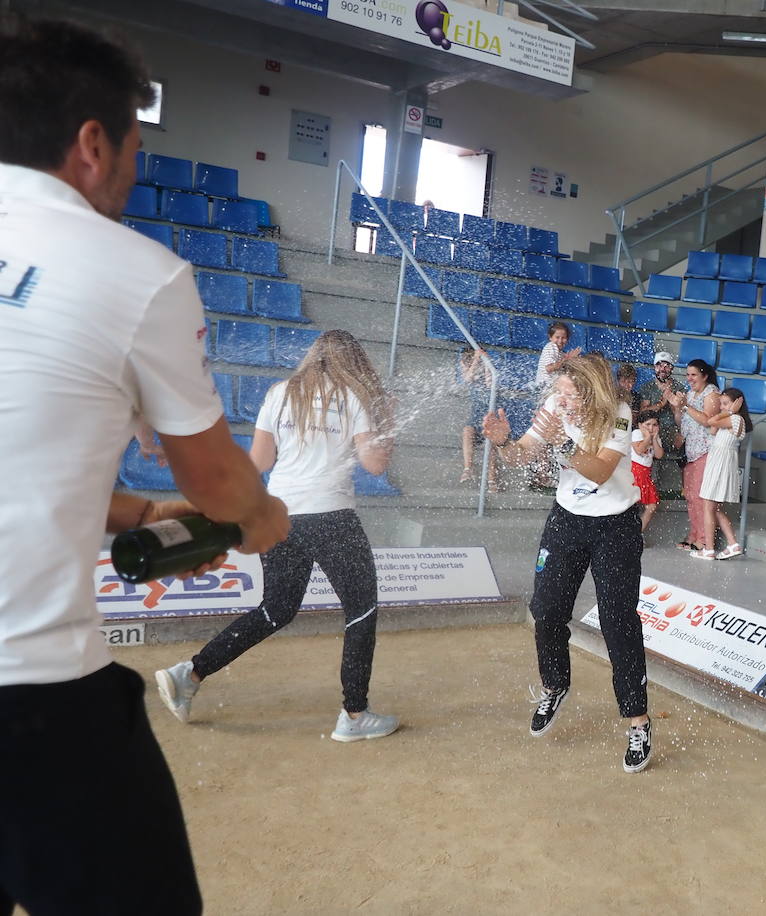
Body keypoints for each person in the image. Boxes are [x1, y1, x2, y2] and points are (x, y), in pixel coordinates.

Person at [0, 16, 290, 913]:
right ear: (92, 143)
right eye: (133, 147)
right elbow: (218, 483)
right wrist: (258, 520)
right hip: (30, 697)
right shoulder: (136, 270)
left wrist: (132, 515)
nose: (134, 172)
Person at [155, 330, 400, 742]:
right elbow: (375, 464)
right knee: (360, 611)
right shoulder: (353, 397)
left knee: (275, 609)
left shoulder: (280, 393)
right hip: (331, 517)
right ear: (353, 361)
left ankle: (190, 674)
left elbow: (260, 462)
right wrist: (387, 421)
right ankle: (354, 715)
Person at [482, 355, 653, 772]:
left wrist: (561, 444)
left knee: (617, 622)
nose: (559, 399)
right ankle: (555, 686)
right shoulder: (555, 408)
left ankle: (638, 720)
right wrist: (504, 442)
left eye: (567, 392)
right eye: (557, 391)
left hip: (616, 526)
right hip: (566, 521)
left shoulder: (619, 413)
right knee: (547, 611)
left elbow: (599, 471)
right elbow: (522, 455)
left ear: (589, 391)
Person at [680, 387, 752, 560]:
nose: (721, 406)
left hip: (722, 464)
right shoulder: (729, 418)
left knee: (709, 505)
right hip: (717, 462)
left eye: (725, 403)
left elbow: (711, 421)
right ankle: (732, 544)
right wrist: (726, 411)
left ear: (737, 403)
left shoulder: (736, 418)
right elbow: (712, 430)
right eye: (721, 403)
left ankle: (710, 549)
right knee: (713, 508)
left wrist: (730, 411)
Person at [669, 359, 721, 552]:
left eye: (693, 375)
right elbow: (680, 421)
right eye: (688, 374)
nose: (689, 378)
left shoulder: (712, 393)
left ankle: (704, 539)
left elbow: (708, 420)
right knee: (690, 497)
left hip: (705, 451)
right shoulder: (690, 394)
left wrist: (685, 406)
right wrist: (676, 407)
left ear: (704, 376)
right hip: (690, 452)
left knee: (700, 497)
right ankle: (694, 534)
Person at [635, 351, 686, 486]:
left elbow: (682, 418)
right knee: (647, 440)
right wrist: (660, 404)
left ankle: (684, 487)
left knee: (685, 442)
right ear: (654, 367)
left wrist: (682, 433)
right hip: (650, 430)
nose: (662, 369)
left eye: (666, 365)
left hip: (671, 431)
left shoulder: (679, 388)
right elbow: (643, 412)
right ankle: (648, 485)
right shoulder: (647, 387)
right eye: (659, 365)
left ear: (672, 368)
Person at [460, 346, 496, 483]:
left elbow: (490, 384)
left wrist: (486, 363)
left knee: (491, 441)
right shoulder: (469, 369)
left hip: (489, 415)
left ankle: (492, 479)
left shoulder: (485, 369)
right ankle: (468, 469)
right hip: (476, 418)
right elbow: (467, 379)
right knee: (467, 430)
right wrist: (476, 359)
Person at [631, 414, 665, 532]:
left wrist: (654, 439)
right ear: (640, 425)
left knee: (652, 505)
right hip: (634, 472)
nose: (651, 428)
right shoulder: (636, 433)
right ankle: (628, 533)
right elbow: (639, 450)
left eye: (654, 425)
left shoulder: (656, 437)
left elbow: (659, 455)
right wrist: (647, 438)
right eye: (647, 425)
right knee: (631, 505)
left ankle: (638, 532)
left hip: (646, 474)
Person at [531, 320, 580, 393]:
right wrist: (567, 359)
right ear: (550, 337)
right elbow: (549, 368)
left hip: (545, 387)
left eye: (563, 338)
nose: (560, 341)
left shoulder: (560, 353)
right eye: (557, 337)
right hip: (544, 387)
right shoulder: (551, 347)